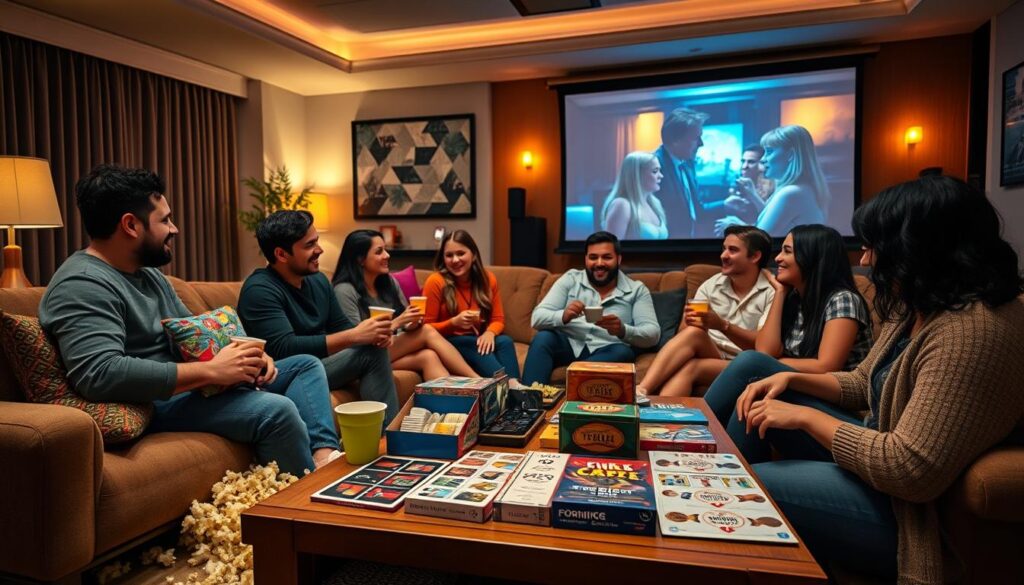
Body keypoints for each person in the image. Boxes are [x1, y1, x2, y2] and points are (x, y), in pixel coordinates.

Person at [721, 176, 1024, 583]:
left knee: (751, 482)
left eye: (874, 246)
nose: (865, 260)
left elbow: (909, 470)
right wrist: (788, 380)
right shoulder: (920, 302)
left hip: (913, 513)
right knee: (758, 386)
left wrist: (805, 417)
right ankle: (705, 486)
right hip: (878, 461)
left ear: (919, 248)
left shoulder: (971, 332)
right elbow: (863, 382)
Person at [39, 165, 340, 475]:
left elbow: (195, 331)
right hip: (158, 401)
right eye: (164, 220)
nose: (174, 229)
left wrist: (249, 354)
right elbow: (99, 373)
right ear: (130, 225)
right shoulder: (83, 283)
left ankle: (324, 459)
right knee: (276, 411)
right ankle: (305, 501)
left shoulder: (149, 274)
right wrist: (211, 371)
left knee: (304, 365)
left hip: (195, 386)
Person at [237, 211, 400, 424]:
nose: (319, 250)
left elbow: (341, 326)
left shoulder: (318, 280)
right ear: (281, 254)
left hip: (322, 364)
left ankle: (388, 435)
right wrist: (354, 336)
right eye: (309, 245)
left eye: (317, 241)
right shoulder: (260, 289)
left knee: (372, 348)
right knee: (365, 353)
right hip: (284, 372)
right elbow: (284, 348)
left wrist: (372, 335)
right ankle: (389, 435)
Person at [703, 223, 872, 425]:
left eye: (787, 251)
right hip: (806, 392)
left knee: (750, 364)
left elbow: (826, 366)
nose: (777, 258)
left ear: (811, 257)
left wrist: (770, 365)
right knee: (754, 400)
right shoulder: (794, 298)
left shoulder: (842, 299)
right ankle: (707, 438)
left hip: (841, 409)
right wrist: (780, 293)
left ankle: (695, 425)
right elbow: (765, 351)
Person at [637, 225, 775, 397]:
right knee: (693, 332)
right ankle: (642, 390)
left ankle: (652, 401)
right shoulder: (712, 284)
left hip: (746, 361)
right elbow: (683, 334)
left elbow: (764, 347)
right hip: (712, 352)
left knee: (689, 367)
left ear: (755, 256)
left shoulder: (772, 291)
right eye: (724, 249)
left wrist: (721, 325)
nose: (723, 255)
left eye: (732, 250)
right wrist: (692, 323)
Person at [331, 229, 477, 380]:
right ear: (360, 259)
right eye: (379, 251)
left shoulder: (388, 282)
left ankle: (456, 394)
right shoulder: (345, 290)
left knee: (428, 357)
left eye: (385, 250)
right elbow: (355, 341)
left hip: (386, 350)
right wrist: (397, 322)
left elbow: (404, 325)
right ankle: (477, 380)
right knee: (426, 331)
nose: (387, 255)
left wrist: (412, 323)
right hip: (359, 356)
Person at [522, 231, 660, 385]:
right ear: (586, 259)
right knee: (543, 338)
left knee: (623, 352)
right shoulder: (571, 279)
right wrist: (563, 315)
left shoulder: (636, 290)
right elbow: (537, 318)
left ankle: (573, 387)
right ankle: (529, 397)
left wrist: (623, 330)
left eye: (607, 257)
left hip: (608, 349)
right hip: (569, 344)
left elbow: (653, 334)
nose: (599, 263)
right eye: (593, 257)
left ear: (618, 259)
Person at [421, 229, 520, 379]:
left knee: (505, 341)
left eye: (461, 253)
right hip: (445, 342)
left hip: (475, 338)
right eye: (449, 255)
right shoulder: (435, 281)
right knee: (473, 343)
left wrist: (490, 333)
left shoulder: (487, 279)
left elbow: (498, 319)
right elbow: (425, 329)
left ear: (473, 255)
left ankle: (515, 387)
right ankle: (508, 384)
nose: (455, 260)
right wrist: (453, 323)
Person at [716, 125, 829, 237]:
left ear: (790, 155)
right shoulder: (800, 189)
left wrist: (735, 225)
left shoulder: (791, 193)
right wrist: (752, 194)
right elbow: (770, 219)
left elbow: (761, 239)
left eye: (769, 152)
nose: (763, 159)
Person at [654, 107, 710, 238]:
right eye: (696, 138)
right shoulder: (652, 167)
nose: (701, 144)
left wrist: (725, 205)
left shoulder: (688, 164)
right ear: (675, 140)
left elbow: (696, 210)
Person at [600, 151, 668, 240]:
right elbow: (610, 246)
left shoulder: (655, 204)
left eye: (660, 171)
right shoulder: (622, 205)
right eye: (655, 171)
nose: (661, 176)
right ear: (637, 175)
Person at [723, 144, 775, 221]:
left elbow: (771, 219)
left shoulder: (771, 188)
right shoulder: (738, 185)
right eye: (743, 161)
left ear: (762, 164)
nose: (744, 166)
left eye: (751, 162)